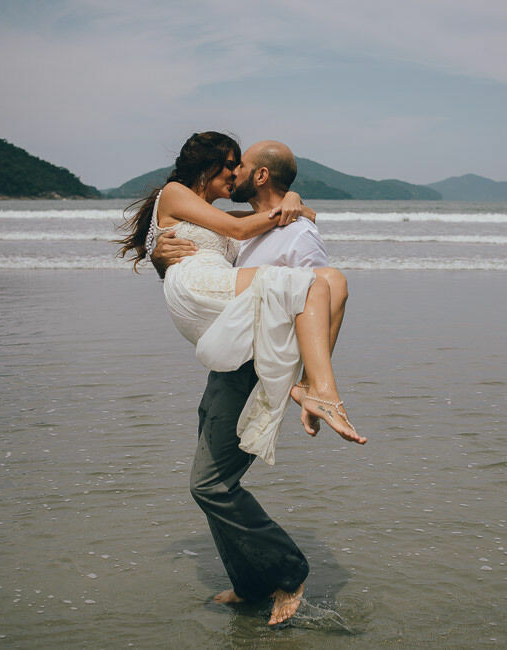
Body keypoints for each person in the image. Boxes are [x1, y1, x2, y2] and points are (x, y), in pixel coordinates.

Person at [116, 133, 365, 625]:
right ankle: (250, 585)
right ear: (208, 165)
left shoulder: (289, 232)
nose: (234, 174)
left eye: (240, 165)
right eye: (228, 165)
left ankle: (287, 572)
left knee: (211, 485)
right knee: (211, 483)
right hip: (224, 346)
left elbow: (316, 296)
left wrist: (294, 205)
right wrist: (154, 247)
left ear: (261, 175)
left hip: (249, 359)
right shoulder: (224, 218)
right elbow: (199, 228)